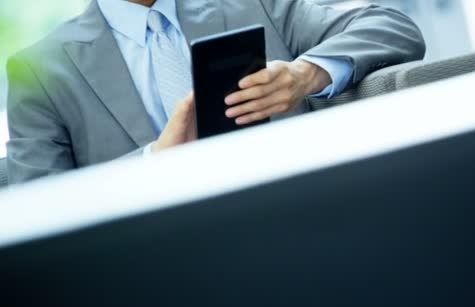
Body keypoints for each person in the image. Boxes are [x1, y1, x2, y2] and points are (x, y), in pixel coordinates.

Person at [6, 0, 425, 184]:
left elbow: (392, 27)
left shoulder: (252, 4)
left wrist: (305, 74)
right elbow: (40, 199)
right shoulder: (38, 71)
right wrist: (152, 163)